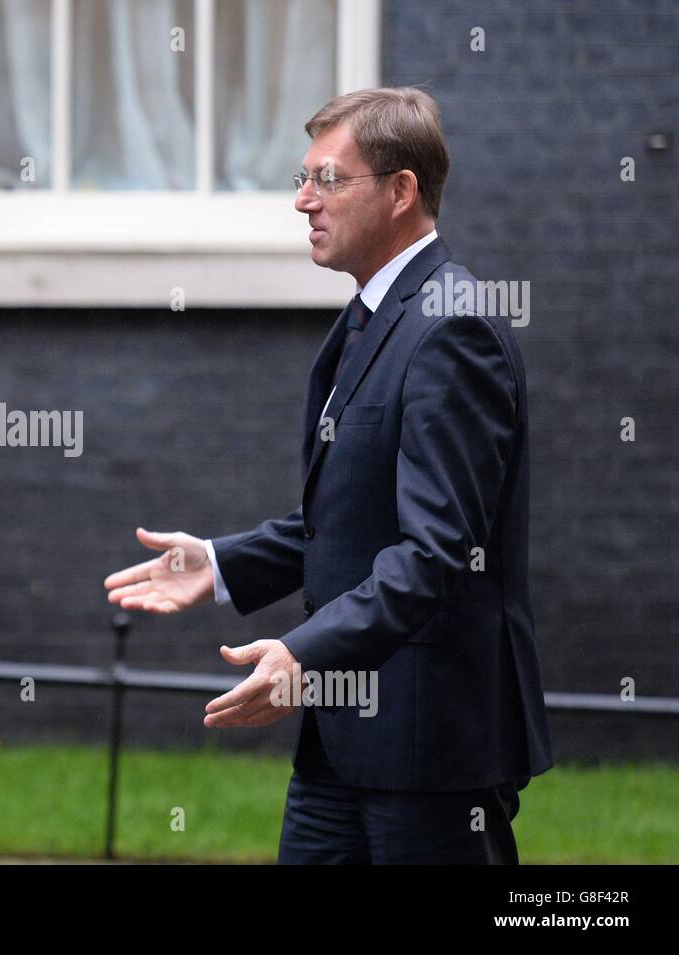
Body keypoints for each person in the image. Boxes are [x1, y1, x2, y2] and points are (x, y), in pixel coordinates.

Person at [104, 87, 553, 864]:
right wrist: (217, 563)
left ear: (401, 191)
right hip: (342, 748)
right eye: (301, 177)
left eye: (328, 179)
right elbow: (349, 520)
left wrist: (305, 651)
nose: (303, 201)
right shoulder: (372, 317)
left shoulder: (453, 327)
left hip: (429, 747)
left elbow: (437, 551)